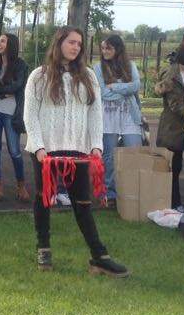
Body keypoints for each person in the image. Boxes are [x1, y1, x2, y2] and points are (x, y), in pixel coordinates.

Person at [23, 26, 128, 276]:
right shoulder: (39, 76)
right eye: (71, 42)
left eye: (79, 44)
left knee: (83, 202)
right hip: (46, 151)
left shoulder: (88, 76)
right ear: (59, 43)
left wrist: (96, 145)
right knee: (44, 198)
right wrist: (39, 147)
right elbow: (30, 114)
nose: (75, 47)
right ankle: (43, 248)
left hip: (79, 150)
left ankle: (99, 256)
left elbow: (95, 113)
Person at [93, 34, 142, 207]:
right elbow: (102, 92)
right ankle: (109, 193)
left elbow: (136, 86)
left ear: (118, 49)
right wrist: (124, 90)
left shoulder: (130, 66)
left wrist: (114, 86)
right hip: (108, 116)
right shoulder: (98, 68)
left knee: (133, 153)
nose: (104, 51)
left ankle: (130, 191)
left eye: (109, 48)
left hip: (129, 116)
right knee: (109, 156)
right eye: (103, 48)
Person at [0, 32, 29, 202]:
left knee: (15, 150)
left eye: (2, 41)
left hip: (11, 112)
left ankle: (21, 185)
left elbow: (17, 86)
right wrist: (0, 90)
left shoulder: (21, 65)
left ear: (11, 44)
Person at [154, 43, 184, 210]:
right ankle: (173, 203)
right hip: (174, 128)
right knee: (174, 167)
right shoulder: (172, 74)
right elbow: (176, 105)